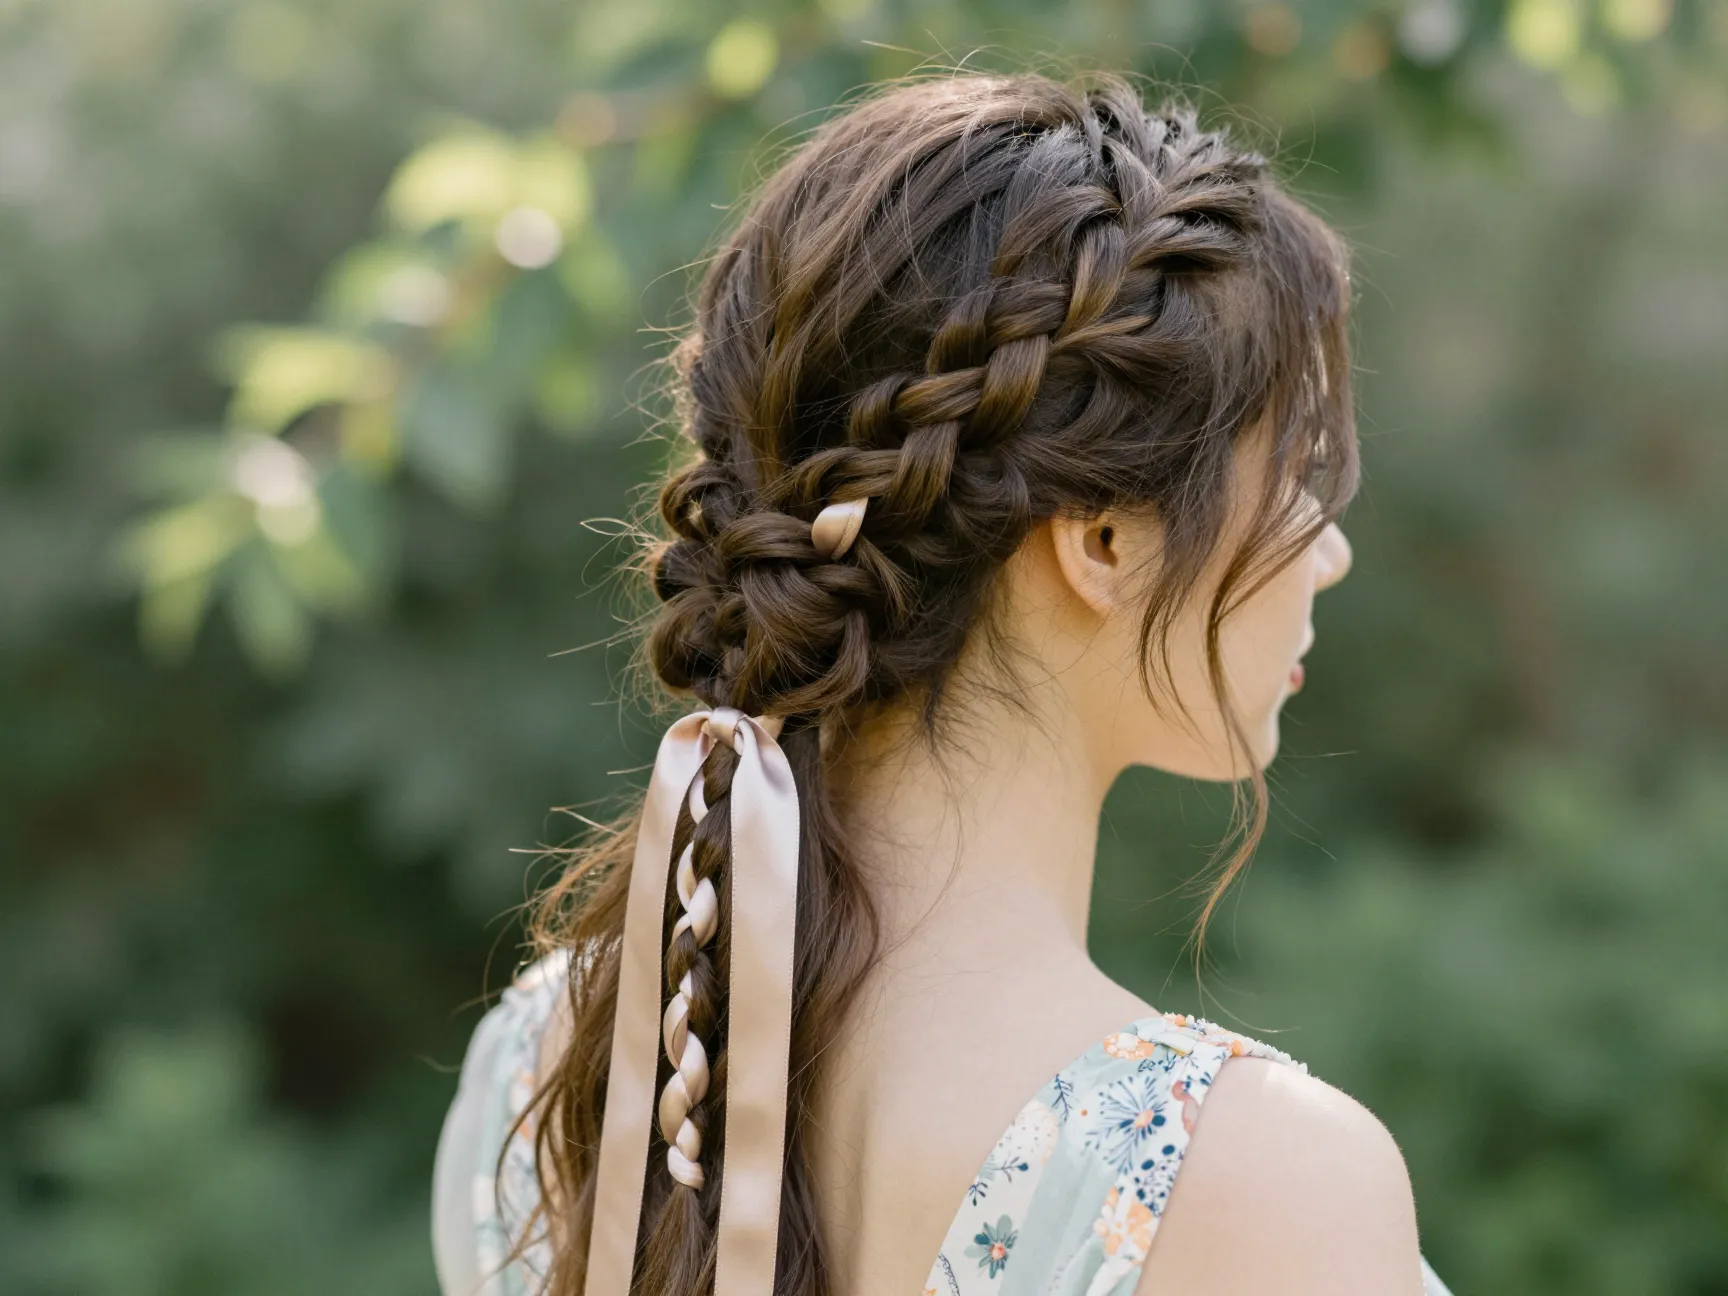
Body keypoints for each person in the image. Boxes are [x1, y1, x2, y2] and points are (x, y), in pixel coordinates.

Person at [431, 71, 1453, 1296]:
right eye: (1298, 466)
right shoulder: (1247, 1181)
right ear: (1104, 541)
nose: (1327, 546)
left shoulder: (553, 1062)